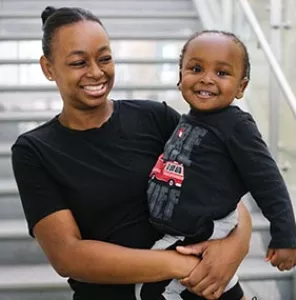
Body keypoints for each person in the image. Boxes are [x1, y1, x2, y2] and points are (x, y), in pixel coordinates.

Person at [11, 7, 253, 300]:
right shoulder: (34, 151)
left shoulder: (155, 117)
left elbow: (224, 193)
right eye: (78, 62)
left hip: (206, 290)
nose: (96, 72)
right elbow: (68, 255)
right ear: (48, 68)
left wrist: (235, 246)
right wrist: (183, 265)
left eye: (105, 58)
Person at [136, 30, 296, 300]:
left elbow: (268, 181)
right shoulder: (188, 120)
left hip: (202, 227)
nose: (207, 78)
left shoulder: (237, 126)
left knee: (151, 290)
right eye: (196, 68)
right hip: (183, 229)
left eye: (222, 73)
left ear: (241, 87)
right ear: (180, 76)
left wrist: (285, 238)